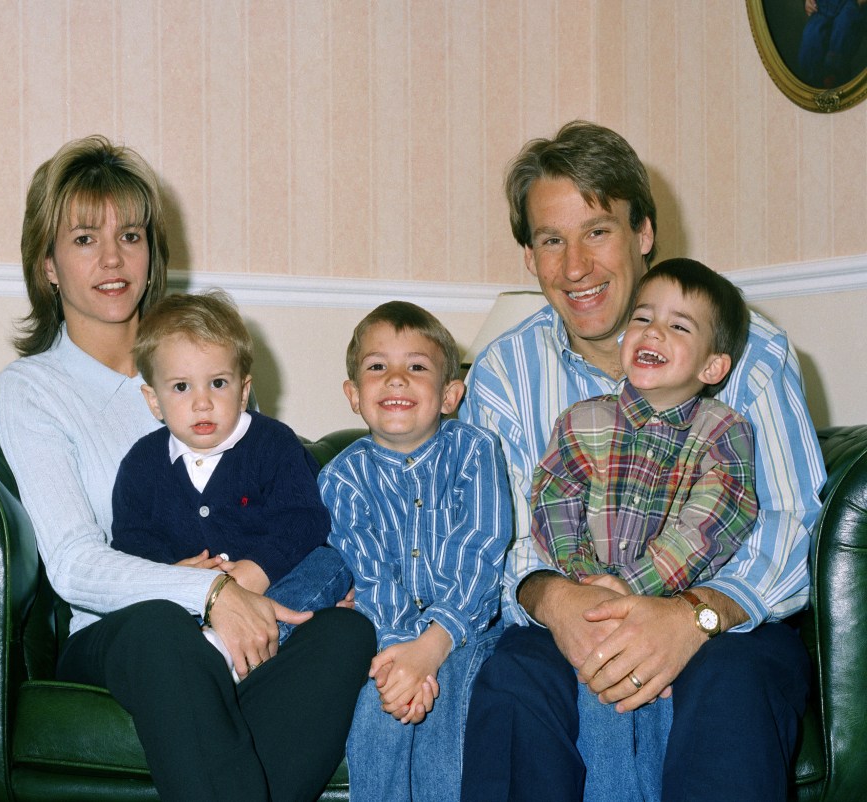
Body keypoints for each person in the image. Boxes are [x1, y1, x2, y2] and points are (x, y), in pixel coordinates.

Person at [0, 134, 375, 802]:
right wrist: (210, 594)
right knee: (161, 630)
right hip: (123, 635)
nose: (112, 258)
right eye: (84, 239)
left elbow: (288, 511)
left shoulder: (208, 375)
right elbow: (75, 564)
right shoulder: (33, 388)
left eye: (131, 236)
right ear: (47, 263)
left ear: (152, 252)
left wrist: (300, 583)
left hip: (254, 616)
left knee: (346, 633)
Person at [459, 120, 826, 801]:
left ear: (644, 234)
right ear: (530, 256)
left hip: (725, 623)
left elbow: (790, 518)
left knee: (733, 690)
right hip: (562, 607)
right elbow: (494, 532)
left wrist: (696, 615)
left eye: (596, 230)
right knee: (512, 686)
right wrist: (557, 599)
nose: (575, 267)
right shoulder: (505, 373)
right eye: (550, 240)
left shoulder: (753, 353)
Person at [528, 258, 757, 800]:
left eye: (678, 326)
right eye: (643, 318)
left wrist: (632, 587)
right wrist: (587, 585)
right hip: (592, 606)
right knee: (595, 705)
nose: (653, 332)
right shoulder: (580, 420)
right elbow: (552, 501)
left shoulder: (724, 432)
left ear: (712, 367)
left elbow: (713, 522)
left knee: (655, 708)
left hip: (666, 616)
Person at [319, 301, 511, 802]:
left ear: (450, 396)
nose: (396, 379)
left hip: (470, 628)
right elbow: (368, 572)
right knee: (378, 706)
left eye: (417, 367)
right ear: (354, 395)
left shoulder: (475, 450)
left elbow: (481, 551)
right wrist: (404, 655)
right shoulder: (340, 477)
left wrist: (432, 646)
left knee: (447, 701)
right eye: (377, 366)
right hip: (386, 632)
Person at [110, 289, 352, 681]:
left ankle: (241, 653)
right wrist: (177, 575)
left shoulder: (274, 444)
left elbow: (306, 519)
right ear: (154, 401)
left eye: (218, 383)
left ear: (243, 390)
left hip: (276, 587)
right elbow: (130, 541)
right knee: (149, 610)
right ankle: (209, 650)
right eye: (182, 387)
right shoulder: (141, 464)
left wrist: (258, 570)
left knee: (332, 561)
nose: (202, 402)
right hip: (191, 608)